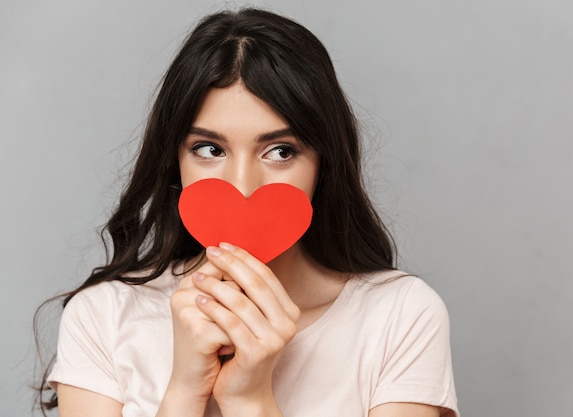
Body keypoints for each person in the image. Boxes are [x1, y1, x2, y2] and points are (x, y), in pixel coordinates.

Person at [39, 7, 458, 417]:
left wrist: (250, 401)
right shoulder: (105, 316)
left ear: (323, 163)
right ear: (175, 161)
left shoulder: (400, 315)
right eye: (210, 150)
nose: (242, 187)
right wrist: (185, 389)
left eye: (280, 151)